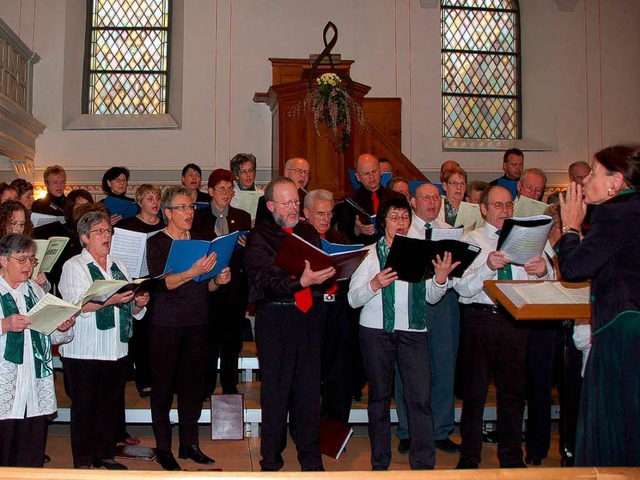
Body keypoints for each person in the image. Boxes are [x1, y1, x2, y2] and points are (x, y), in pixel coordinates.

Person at [348, 196, 458, 471]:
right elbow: (352, 299)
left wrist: (441, 279)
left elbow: (431, 298)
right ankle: (380, 463)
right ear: (382, 221)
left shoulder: (421, 252)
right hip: (376, 332)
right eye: (394, 217)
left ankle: (423, 464)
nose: (401, 223)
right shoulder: (370, 254)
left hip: (414, 332)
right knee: (379, 399)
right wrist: (374, 284)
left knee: (420, 399)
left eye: (405, 217)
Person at [454, 186, 553, 469]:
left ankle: (511, 456)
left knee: (513, 392)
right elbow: (460, 287)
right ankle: (469, 456)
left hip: (516, 318)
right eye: (498, 205)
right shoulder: (471, 239)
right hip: (480, 318)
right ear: (483, 209)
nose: (504, 211)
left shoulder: (529, 238)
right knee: (475, 392)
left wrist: (542, 271)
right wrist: (486, 267)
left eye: (509, 205)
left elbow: (548, 281)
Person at [244, 177, 335, 472]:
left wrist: (331, 272)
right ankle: (271, 457)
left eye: (296, 201)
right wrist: (300, 281)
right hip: (276, 319)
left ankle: (311, 456)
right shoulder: (260, 236)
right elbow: (262, 281)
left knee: (309, 390)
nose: (294, 208)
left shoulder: (308, 230)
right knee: (276, 392)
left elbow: (319, 266)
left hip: (309, 316)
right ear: (271, 205)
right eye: (287, 203)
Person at [558, 144, 640, 466]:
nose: (587, 178)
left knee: (613, 420)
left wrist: (570, 227)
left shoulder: (613, 212)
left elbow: (575, 269)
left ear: (615, 182)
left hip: (623, 328)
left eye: (594, 171)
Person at [146, 185, 230, 471]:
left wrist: (218, 280)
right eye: (182, 207)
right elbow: (161, 284)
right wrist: (191, 272)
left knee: (193, 387)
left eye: (191, 207)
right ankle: (163, 447)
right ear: (167, 212)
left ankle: (189, 444)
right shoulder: (156, 243)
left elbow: (204, 286)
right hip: (166, 324)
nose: (189, 212)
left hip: (198, 320)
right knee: (164, 388)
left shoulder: (202, 240)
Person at [58, 210, 150, 470]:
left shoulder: (119, 264)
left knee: (110, 406)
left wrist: (138, 302)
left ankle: (105, 454)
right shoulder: (74, 266)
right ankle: (84, 461)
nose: (106, 236)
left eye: (108, 230)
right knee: (86, 407)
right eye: (99, 231)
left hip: (116, 349)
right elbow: (75, 305)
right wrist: (109, 300)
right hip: (84, 350)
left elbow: (127, 304)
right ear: (85, 237)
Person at [393, 183, 461, 456]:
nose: (431, 203)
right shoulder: (403, 232)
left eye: (436, 198)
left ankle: (441, 429)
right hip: (412, 300)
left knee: (444, 366)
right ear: (413, 201)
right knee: (407, 368)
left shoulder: (450, 232)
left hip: (445, 302)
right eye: (425, 198)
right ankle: (408, 429)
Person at [0, 233, 75, 467]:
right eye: (21, 259)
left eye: (31, 260)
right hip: (6, 385)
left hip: (33, 383)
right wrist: (4, 325)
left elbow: (49, 333)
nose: (28, 266)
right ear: (2, 260)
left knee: (30, 454)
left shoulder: (35, 290)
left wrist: (62, 326)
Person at [192, 169, 251, 396]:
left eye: (229, 189)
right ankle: (206, 387)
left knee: (232, 341)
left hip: (235, 288)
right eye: (221, 189)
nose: (226, 193)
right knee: (208, 341)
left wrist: (247, 247)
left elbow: (249, 256)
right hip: (208, 287)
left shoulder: (242, 216)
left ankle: (229, 385)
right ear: (210, 191)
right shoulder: (199, 217)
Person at [303, 189, 353, 424]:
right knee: (310, 373)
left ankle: (334, 425)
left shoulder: (340, 238)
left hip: (338, 309)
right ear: (306, 213)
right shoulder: (300, 239)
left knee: (340, 372)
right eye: (320, 214)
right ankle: (308, 425)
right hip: (311, 310)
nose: (325, 219)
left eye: (329, 214)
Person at [118, 184, 165, 399]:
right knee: (141, 335)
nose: (155, 202)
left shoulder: (166, 225)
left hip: (161, 283)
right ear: (140, 203)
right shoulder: (128, 226)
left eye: (157, 198)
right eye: (150, 199)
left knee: (160, 334)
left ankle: (162, 378)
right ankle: (144, 379)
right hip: (139, 283)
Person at [335, 153, 403, 245]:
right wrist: (357, 230)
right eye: (366, 174)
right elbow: (342, 233)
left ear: (380, 171)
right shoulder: (349, 201)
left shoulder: (397, 198)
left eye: (374, 171)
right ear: (358, 177)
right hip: (364, 250)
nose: (371, 177)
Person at [0, 201, 50, 292]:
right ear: (3, 223)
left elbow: (42, 288)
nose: (18, 229)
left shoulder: (28, 247)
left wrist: (43, 282)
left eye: (22, 224)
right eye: (13, 223)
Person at [255, 157, 310, 224]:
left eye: (306, 172)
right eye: (299, 171)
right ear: (287, 173)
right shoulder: (267, 199)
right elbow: (262, 228)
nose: (303, 175)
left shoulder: (309, 200)